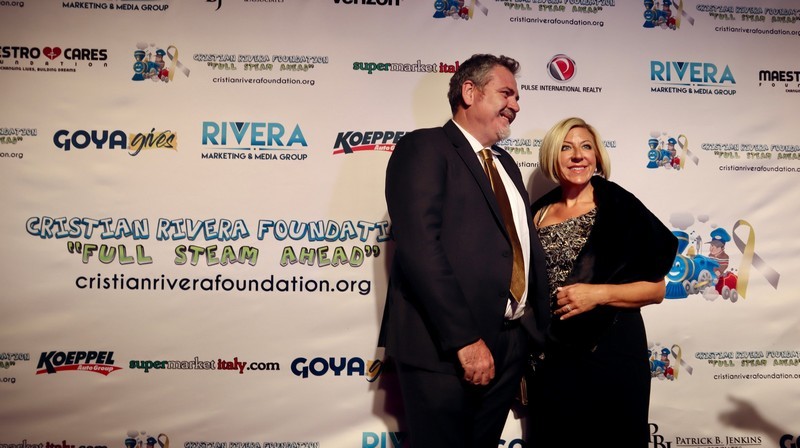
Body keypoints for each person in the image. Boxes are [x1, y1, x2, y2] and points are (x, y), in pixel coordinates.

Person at [378, 54, 549, 448]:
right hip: (446, 348)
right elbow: (421, 249)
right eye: (506, 93)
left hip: (509, 344)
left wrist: (528, 335)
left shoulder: (506, 164)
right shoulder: (425, 147)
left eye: (517, 97)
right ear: (469, 92)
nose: (516, 105)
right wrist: (465, 341)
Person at [526, 117, 678, 447]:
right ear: (552, 156)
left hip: (613, 354)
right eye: (566, 147)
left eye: (586, 146)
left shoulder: (619, 207)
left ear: (596, 156)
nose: (577, 155)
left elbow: (657, 290)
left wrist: (597, 294)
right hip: (553, 361)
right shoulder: (536, 213)